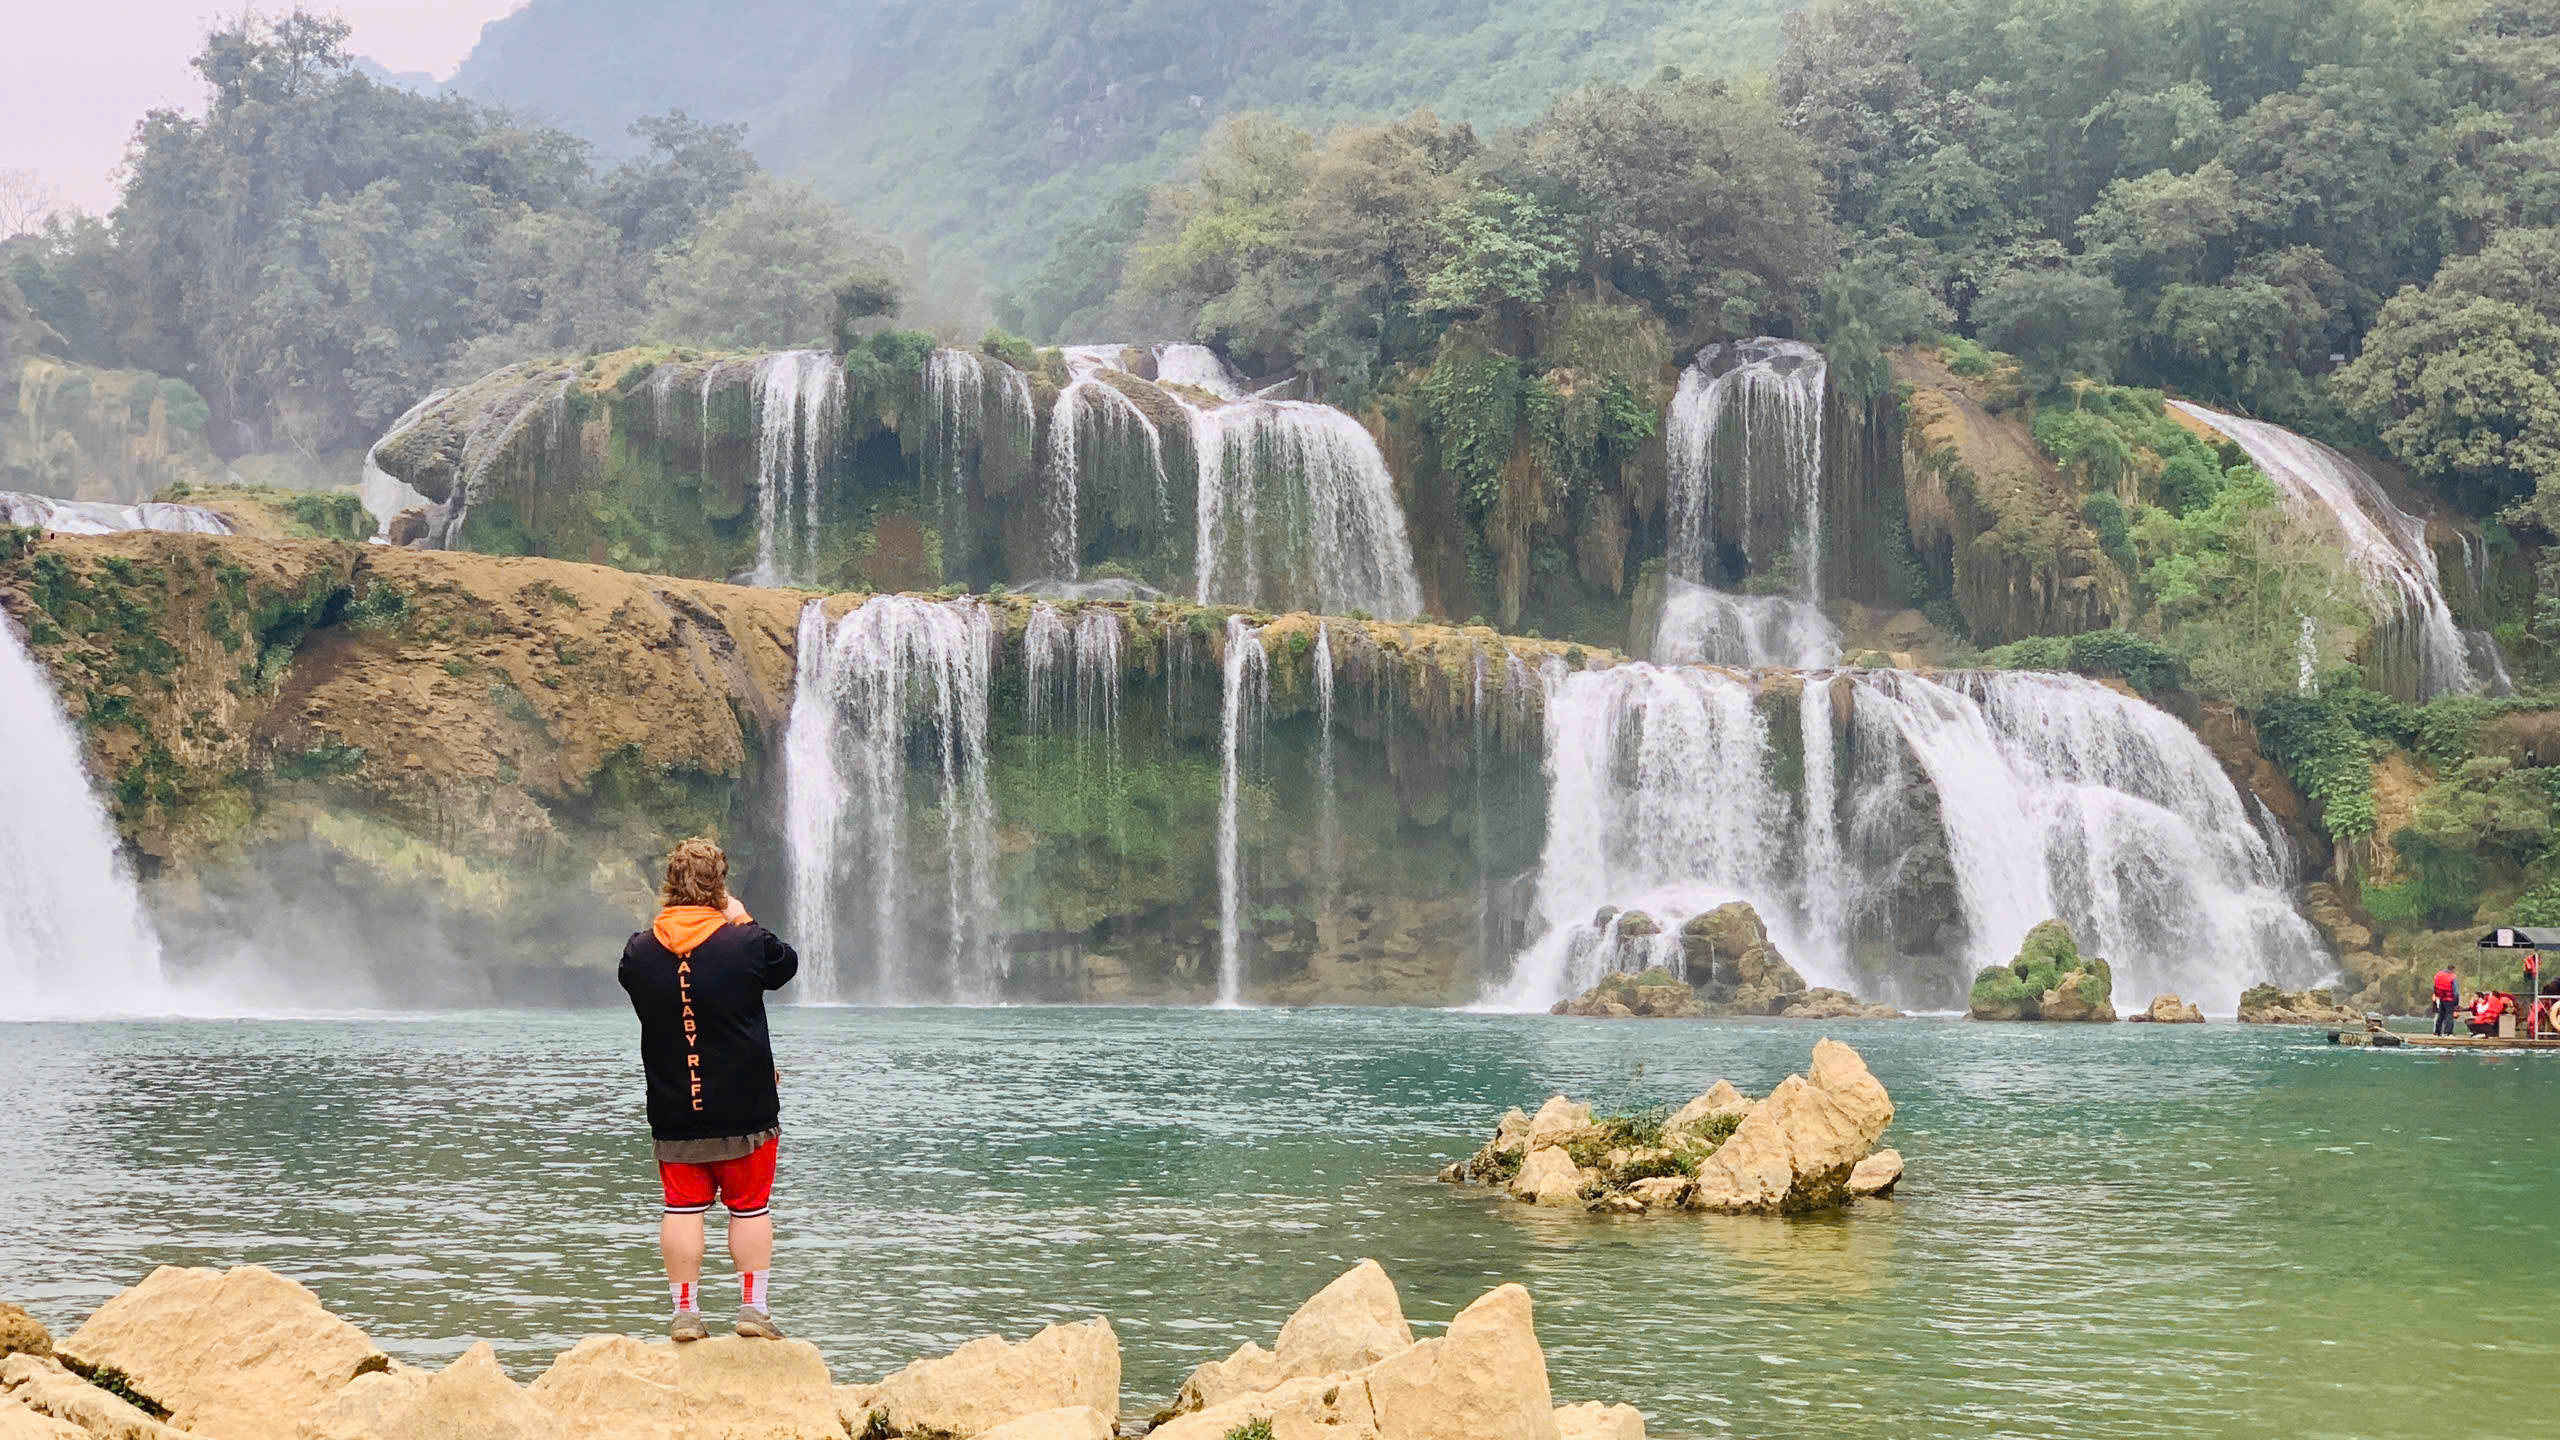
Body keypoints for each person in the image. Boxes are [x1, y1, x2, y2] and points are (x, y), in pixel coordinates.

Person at [619, 837, 799, 1342]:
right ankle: (753, 1310)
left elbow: (655, 989)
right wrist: (741, 918)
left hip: (675, 1106)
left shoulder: (638, 952)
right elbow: (785, 964)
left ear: (668, 886)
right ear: (720, 886)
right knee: (751, 1208)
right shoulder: (745, 943)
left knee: (681, 1209)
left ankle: (685, 1313)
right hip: (746, 1109)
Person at [2432, 966, 2462, 1036]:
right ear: (2453, 969)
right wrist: (2456, 1002)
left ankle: (2437, 1031)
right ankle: (2448, 1032)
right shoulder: (2452, 977)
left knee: (2441, 1015)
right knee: (2449, 1016)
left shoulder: (2438, 975)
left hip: (2441, 998)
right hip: (2450, 999)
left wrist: (2437, 995)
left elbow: (2435, 986)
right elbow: (2455, 991)